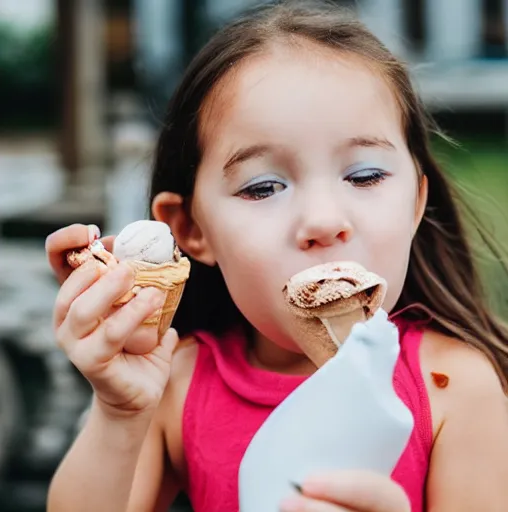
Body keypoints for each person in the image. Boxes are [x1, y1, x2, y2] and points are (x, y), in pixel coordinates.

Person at [46, 1, 508, 511]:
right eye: (264, 187)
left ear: (416, 204)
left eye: (365, 176)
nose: (323, 220)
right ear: (193, 230)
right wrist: (118, 412)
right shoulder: (175, 384)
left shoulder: (455, 388)